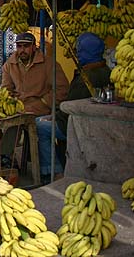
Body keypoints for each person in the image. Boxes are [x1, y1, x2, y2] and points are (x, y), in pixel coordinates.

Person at [35, 32, 110, 182]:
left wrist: (53, 116)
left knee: (38, 125)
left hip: (76, 124)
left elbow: (71, 107)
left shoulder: (86, 78)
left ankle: (54, 171)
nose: (77, 54)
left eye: (79, 51)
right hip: (90, 121)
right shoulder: (106, 71)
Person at [2, 32, 69, 116]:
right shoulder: (9, 65)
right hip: (16, 110)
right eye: (19, 46)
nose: (22, 50)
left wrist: (43, 103)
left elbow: (62, 89)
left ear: (34, 47)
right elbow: (6, 88)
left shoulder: (49, 64)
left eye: (26, 46)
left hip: (42, 111)